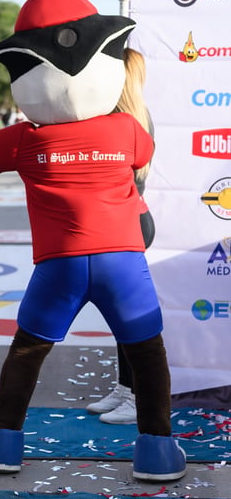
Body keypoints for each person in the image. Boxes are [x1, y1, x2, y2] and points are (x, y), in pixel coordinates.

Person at [0, 0, 185, 482]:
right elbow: (142, 153)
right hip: (122, 262)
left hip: (60, 264)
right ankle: (156, 449)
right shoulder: (125, 131)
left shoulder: (27, 139)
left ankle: (2, 444)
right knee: (147, 353)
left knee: (27, 352)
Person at [86, 48, 155, 426]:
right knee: (119, 317)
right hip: (126, 221)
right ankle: (126, 388)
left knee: (129, 317)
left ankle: (138, 396)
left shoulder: (126, 121)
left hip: (127, 223)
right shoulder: (133, 117)